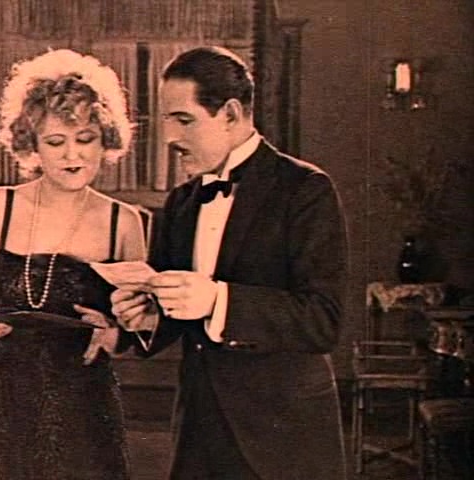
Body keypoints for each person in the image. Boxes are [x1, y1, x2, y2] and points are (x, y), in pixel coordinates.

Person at [111, 46, 349, 479]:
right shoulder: (182, 201)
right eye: (166, 120)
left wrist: (218, 301)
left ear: (231, 113)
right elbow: (173, 314)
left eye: (183, 120)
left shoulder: (305, 189)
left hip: (282, 436)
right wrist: (146, 318)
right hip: (198, 431)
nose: (169, 137)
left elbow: (323, 321)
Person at [0, 49, 146, 479]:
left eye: (85, 138)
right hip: (3, 406)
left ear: (105, 139)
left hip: (85, 411)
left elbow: (132, 329)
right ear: (31, 145)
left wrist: (112, 333)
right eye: (56, 142)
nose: (73, 155)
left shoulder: (124, 223)